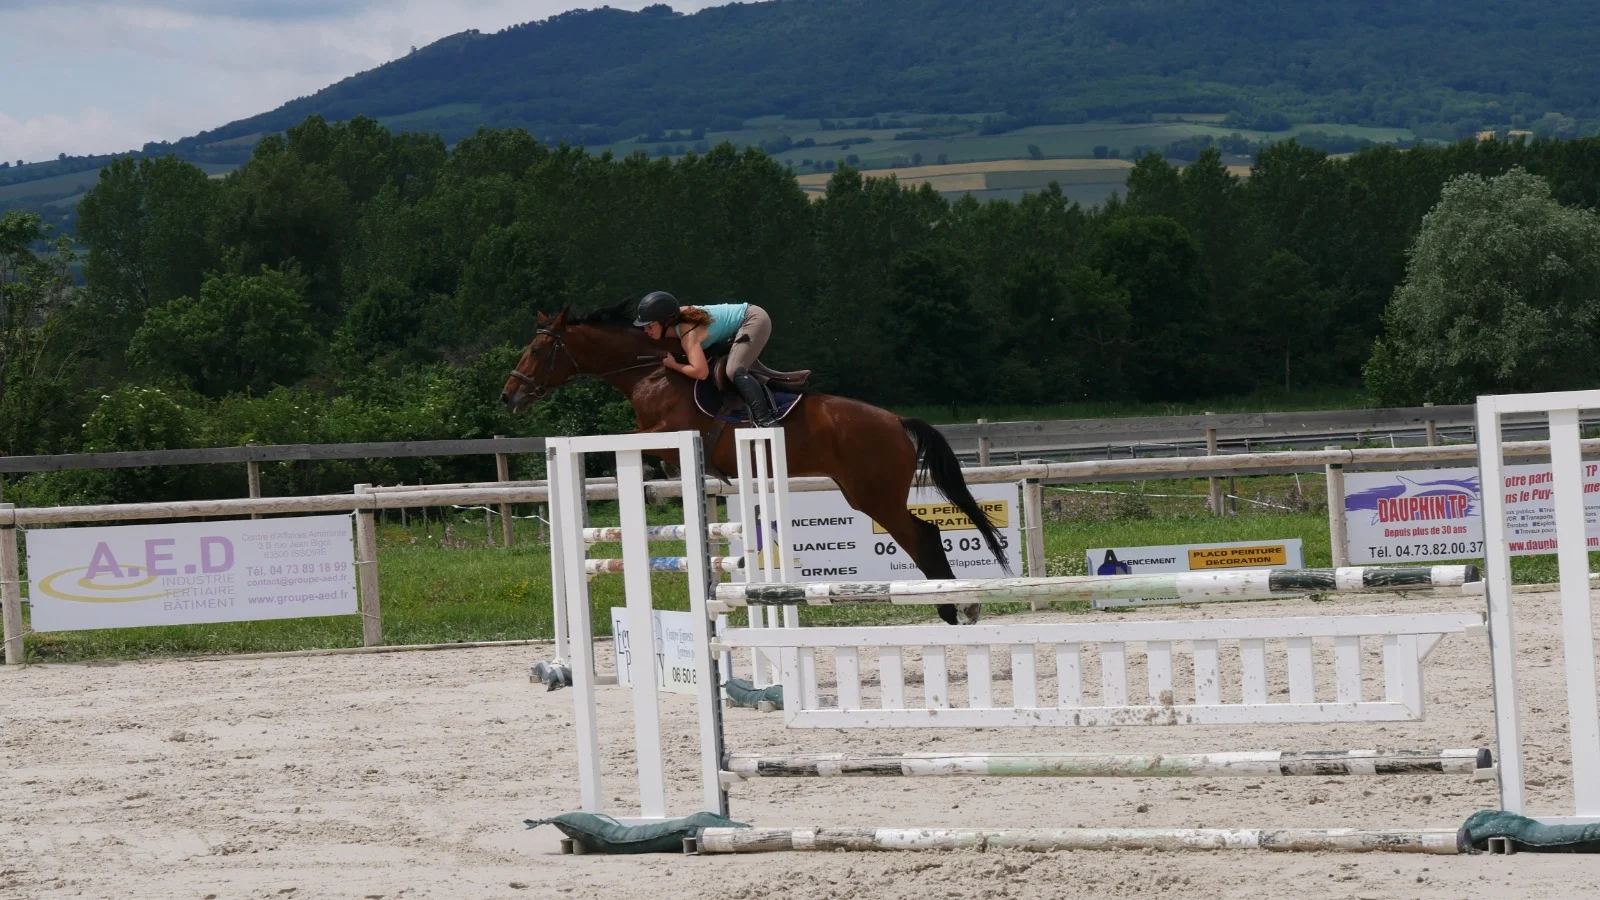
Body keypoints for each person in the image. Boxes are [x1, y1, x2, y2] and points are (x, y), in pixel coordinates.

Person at [633, 291, 778, 426]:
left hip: (753, 319)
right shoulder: (676, 319)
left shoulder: (688, 334)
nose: (646, 331)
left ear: (665, 322)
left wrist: (673, 365)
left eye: (649, 326)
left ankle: (765, 420)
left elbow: (700, 373)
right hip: (744, 319)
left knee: (734, 370)